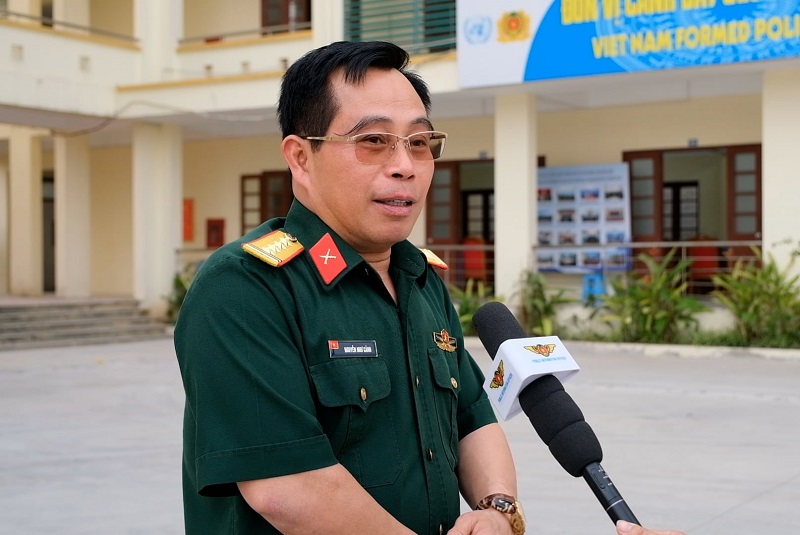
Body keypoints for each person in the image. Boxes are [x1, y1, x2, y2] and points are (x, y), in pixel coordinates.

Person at [174, 40, 687, 535]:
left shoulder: (419, 278)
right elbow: (288, 488)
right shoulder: (246, 288)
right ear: (301, 157)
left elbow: (472, 416)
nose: (405, 166)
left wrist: (498, 509)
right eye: (373, 141)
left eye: (419, 143)